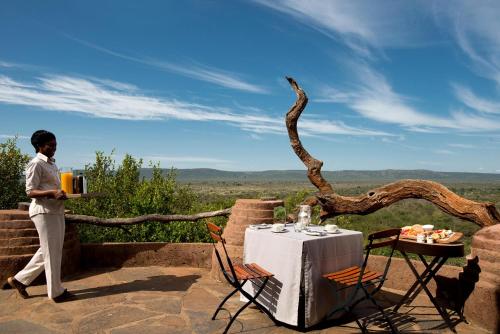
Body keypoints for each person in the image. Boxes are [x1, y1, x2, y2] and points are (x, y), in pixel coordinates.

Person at [6, 130, 73, 302]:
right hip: (43, 212)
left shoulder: (51, 164)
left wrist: (61, 193)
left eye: (55, 145)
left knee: (50, 250)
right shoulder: (35, 164)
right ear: (39, 146)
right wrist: (52, 192)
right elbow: (30, 191)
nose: (54, 148)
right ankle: (56, 292)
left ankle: (20, 280)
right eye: (50, 145)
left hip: (55, 210)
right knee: (52, 252)